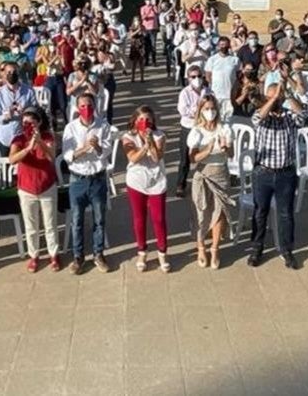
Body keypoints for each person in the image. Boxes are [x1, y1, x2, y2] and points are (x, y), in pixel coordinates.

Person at [248, 82, 304, 269]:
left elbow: (302, 115)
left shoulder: (289, 118)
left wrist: (286, 93)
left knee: (285, 213)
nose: (276, 101)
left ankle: (287, 250)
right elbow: (258, 117)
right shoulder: (261, 117)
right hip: (263, 172)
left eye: (277, 98)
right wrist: (272, 99)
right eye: (271, 97)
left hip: (285, 173)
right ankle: (257, 247)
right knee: (259, 212)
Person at [62, 93, 113, 274]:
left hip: (97, 178)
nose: (86, 109)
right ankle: (78, 256)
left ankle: (98, 254)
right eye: (82, 106)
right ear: (77, 108)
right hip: (78, 179)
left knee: (99, 219)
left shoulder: (103, 126)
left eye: (89, 105)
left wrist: (97, 146)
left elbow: (106, 151)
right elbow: (68, 156)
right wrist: (84, 149)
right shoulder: (71, 128)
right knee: (77, 220)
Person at [9, 108, 62, 273]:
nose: (27, 126)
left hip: (46, 186)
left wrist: (39, 143)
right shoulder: (18, 139)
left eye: (30, 123)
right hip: (26, 188)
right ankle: (34, 255)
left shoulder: (47, 137)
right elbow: (12, 159)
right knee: (31, 225)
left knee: (50, 224)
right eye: (24, 123)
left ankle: (53, 254)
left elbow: (51, 156)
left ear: (38, 123)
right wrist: (27, 148)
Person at [187, 94, 234, 269]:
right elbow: (193, 158)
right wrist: (206, 150)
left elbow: (231, 155)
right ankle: (201, 247)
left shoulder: (224, 129)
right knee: (201, 212)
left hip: (220, 172)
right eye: (206, 109)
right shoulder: (197, 131)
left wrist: (226, 148)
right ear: (200, 111)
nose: (210, 112)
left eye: (213, 108)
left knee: (219, 211)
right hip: (203, 173)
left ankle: (215, 248)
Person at [122, 106, 169, 272]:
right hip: (136, 182)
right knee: (139, 219)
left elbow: (156, 158)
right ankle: (142, 251)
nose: (145, 123)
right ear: (135, 121)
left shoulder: (160, 135)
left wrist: (151, 142)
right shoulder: (128, 137)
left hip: (156, 182)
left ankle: (162, 252)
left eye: (148, 120)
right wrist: (144, 146)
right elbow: (133, 158)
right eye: (141, 120)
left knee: (159, 218)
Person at [175, 66, 210, 197]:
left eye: (199, 76)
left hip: (203, 128)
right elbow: (183, 110)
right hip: (188, 128)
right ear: (188, 78)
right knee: (185, 159)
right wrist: (197, 110)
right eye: (193, 77)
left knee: (203, 156)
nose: (197, 79)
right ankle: (181, 184)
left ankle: (203, 184)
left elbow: (212, 105)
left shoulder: (207, 91)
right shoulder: (185, 92)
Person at [0, 62, 37, 156]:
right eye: (9, 72)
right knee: (6, 166)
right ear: (4, 74)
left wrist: (25, 113)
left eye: (14, 71)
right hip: (6, 138)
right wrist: (7, 116)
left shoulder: (28, 91)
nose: (12, 74)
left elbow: (36, 112)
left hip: (23, 136)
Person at [204, 36, 240, 117]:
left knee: (229, 118)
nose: (224, 47)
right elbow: (208, 76)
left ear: (229, 46)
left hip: (229, 96)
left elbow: (238, 76)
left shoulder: (235, 60)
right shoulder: (212, 59)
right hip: (216, 95)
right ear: (218, 46)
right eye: (221, 45)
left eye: (226, 45)